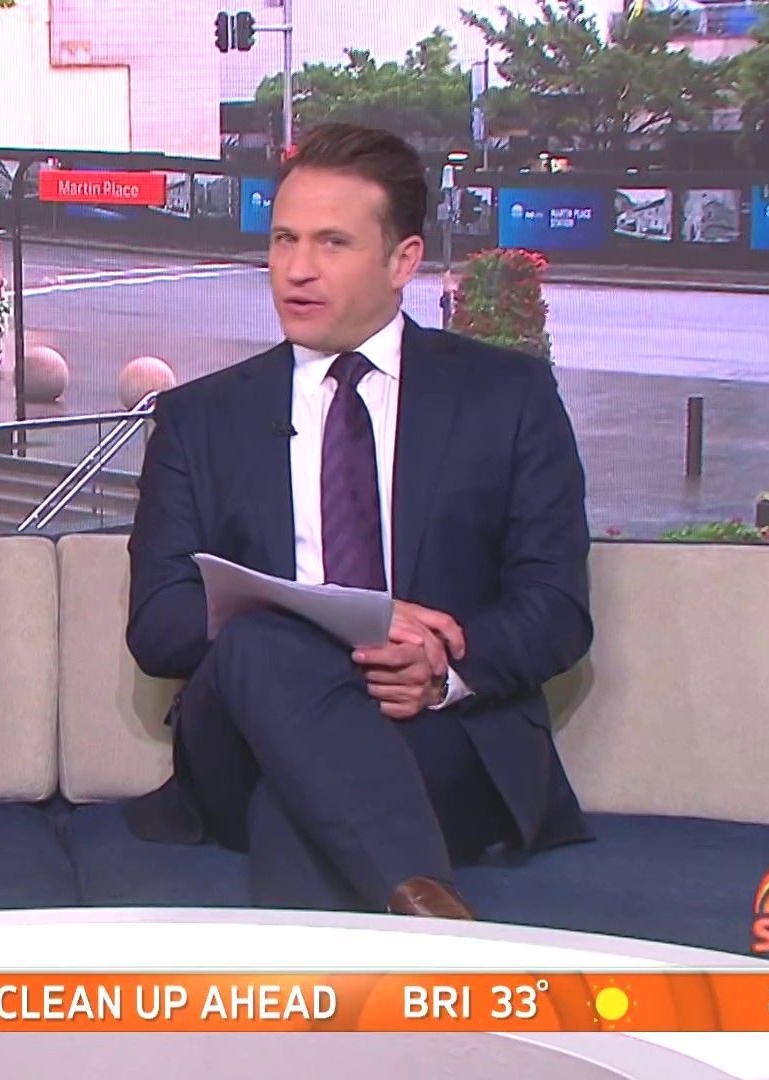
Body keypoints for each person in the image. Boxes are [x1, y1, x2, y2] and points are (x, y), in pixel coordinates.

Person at [121, 123, 594, 919]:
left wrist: (440, 669)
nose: (297, 269)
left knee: (299, 795)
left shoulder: (507, 398)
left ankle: (388, 931)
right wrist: (342, 617)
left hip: (433, 725)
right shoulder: (200, 418)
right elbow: (160, 625)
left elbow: (556, 608)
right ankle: (435, 929)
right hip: (242, 733)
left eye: (332, 243)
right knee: (260, 643)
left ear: (402, 260)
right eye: (284, 239)